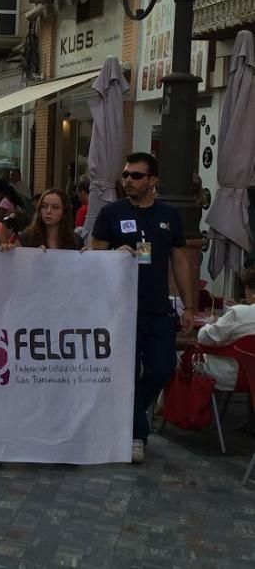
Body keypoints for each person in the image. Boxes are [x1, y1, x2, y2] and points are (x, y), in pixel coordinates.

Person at [91, 152, 197, 464]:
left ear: (153, 181)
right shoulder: (110, 213)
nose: (128, 181)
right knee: (123, 372)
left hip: (157, 307)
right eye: (125, 175)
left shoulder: (169, 215)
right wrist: (113, 254)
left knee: (161, 368)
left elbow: (180, 259)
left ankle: (128, 419)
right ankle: (136, 434)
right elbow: (93, 255)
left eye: (136, 176)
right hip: (119, 310)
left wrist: (190, 305)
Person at [195, 267, 255, 391]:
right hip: (249, 376)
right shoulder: (241, 311)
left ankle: (165, 408)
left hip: (234, 375)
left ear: (250, 289)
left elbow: (204, 338)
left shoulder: (238, 313)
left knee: (179, 359)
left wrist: (210, 323)